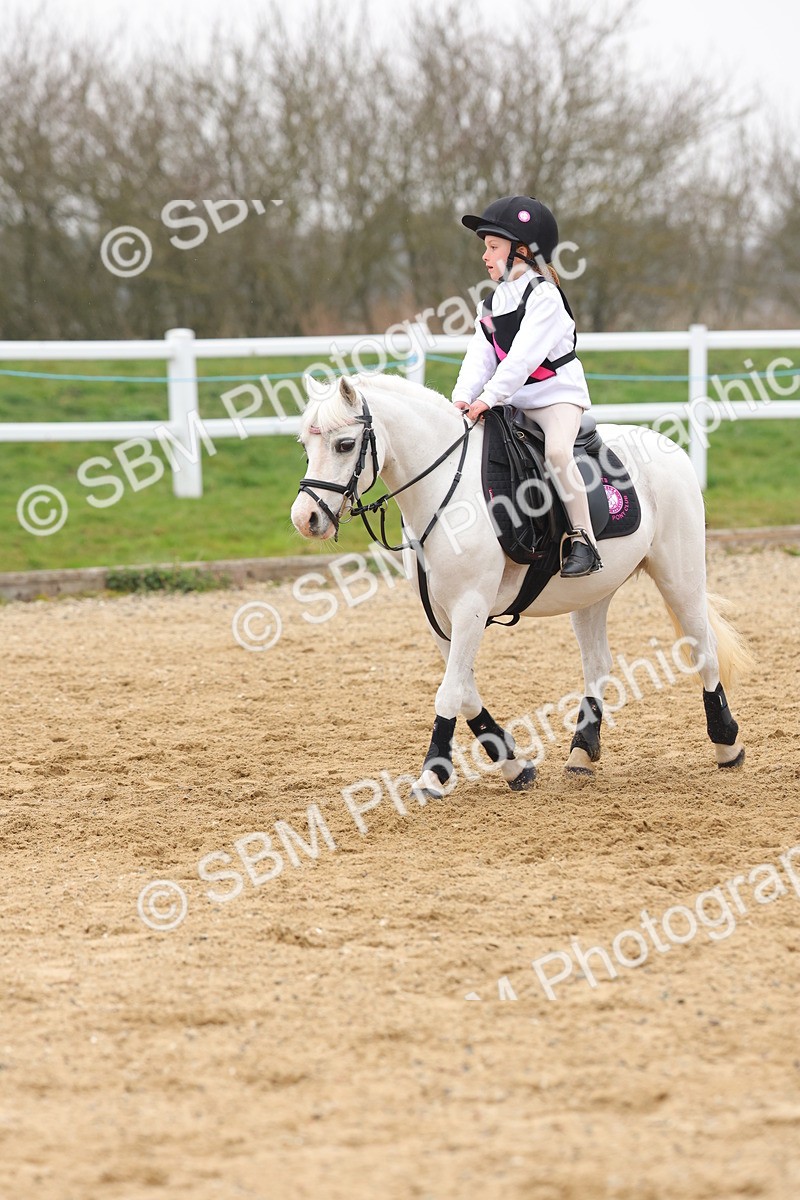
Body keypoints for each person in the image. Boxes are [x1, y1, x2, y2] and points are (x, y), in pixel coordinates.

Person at [453, 194, 602, 578]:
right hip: (513, 401)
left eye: (493, 247)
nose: (485, 256)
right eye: (484, 247)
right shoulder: (491, 302)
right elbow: (480, 356)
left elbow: (520, 359)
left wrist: (487, 398)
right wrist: (462, 396)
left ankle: (583, 539)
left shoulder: (545, 296)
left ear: (521, 251)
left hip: (556, 398)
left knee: (556, 453)